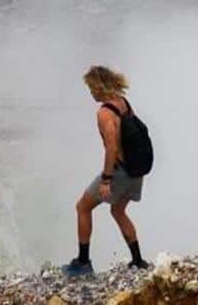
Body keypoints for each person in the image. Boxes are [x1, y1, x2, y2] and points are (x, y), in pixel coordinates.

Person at [63, 65, 148, 277]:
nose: (91, 93)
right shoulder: (123, 103)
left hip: (118, 171)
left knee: (82, 207)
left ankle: (83, 262)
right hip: (135, 170)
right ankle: (138, 261)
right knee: (118, 211)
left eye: (91, 88)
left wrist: (106, 179)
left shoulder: (105, 113)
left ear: (100, 86)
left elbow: (111, 146)